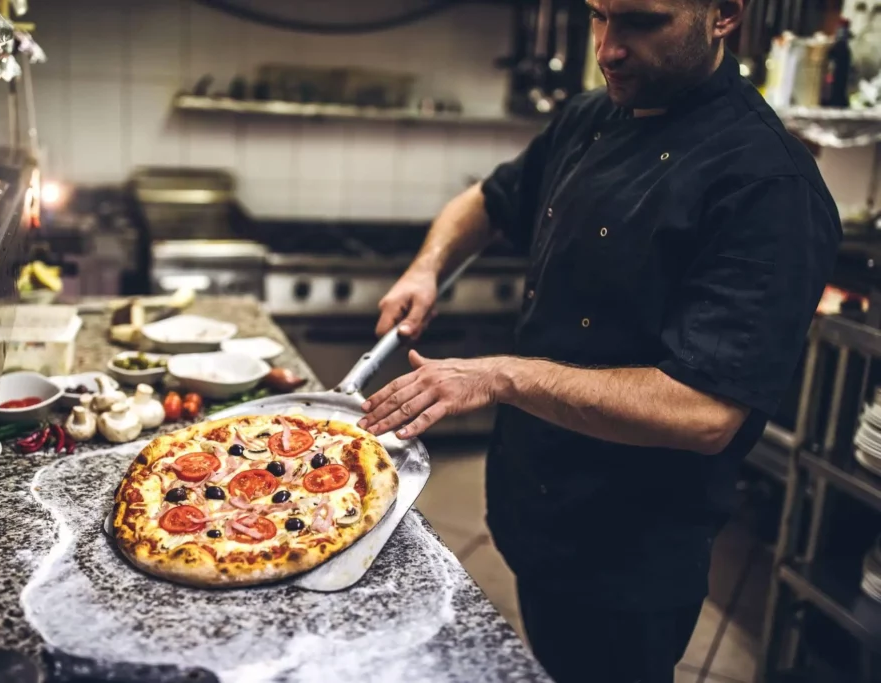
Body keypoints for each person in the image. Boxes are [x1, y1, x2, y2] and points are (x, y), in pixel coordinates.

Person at [358, 0, 842, 681]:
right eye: (598, 16)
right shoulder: (593, 115)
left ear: (725, 16)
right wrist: (426, 267)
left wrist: (501, 375)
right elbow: (490, 200)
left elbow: (706, 413)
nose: (608, 48)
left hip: (628, 553)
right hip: (537, 510)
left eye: (642, 21)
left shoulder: (767, 183)